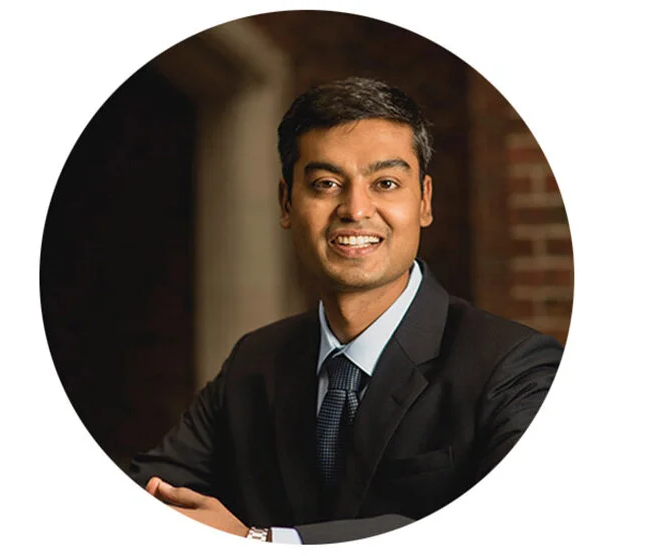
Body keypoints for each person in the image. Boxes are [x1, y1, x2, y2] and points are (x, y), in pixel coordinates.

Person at [127, 77, 563, 544]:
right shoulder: (254, 363)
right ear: (286, 202)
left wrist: (263, 541)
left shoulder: (516, 367)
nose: (355, 209)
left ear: (425, 201)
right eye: (326, 184)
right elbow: (146, 495)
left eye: (386, 183)